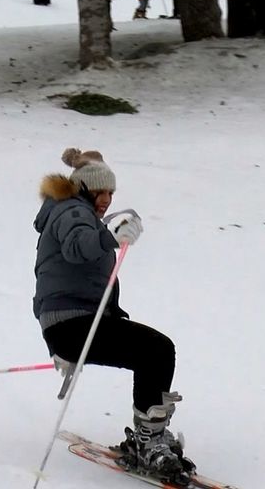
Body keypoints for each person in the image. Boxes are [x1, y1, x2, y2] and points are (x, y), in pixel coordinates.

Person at [32, 148, 195, 483]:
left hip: (73, 321)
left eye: (111, 193)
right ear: (83, 190)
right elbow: (78, 246)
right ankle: (147, 441)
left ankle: (148, 437)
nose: (105, 200)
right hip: (71, 323)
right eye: (100, 192)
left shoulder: (74, 211)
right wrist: (108, 236)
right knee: (156, 350)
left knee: (154, 351)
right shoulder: (72, 211)